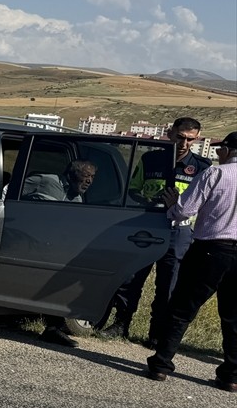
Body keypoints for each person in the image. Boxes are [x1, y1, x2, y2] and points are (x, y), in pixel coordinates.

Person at [98, 117, 212, 344]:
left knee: (168, 285)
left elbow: (204, 203)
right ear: (170, 134)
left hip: (178, 232)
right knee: (131, 278)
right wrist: (151, 200)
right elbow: (132, 189)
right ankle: (121, 324)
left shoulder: (202, 167)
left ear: (197, 139)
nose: (185, 143)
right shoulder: (151, 159)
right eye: (180, 137)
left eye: (191, 139)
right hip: (147, 226)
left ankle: (157, 334)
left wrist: (179, 206)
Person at [146, 132, 236, 391]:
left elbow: (186, 210)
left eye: (221, 149)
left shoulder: (214, 174)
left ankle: (161, 364)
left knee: (183, 308)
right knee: (233, 317)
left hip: (210, 248)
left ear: (226, 151)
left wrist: (174, 206)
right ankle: (231, 375)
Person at [22, 159, 98, 348]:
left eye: (92, 177)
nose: (89, 181)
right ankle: (53, 327)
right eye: (86, 176)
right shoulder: (49, 183)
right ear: (72, 175)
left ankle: (53, 327)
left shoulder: (75, 196)